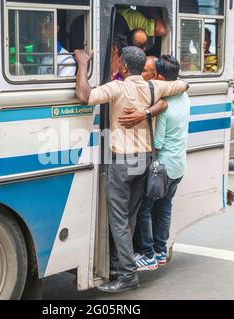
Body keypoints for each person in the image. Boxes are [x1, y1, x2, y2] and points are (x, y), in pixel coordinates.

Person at [74, 46, 188, 293]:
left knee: (118, 220)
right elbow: (183, 85)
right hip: (144, 161)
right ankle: (118, 266)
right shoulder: (153, 87)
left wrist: (82, 63)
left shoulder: (116, 88)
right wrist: (147, 112)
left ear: (124, 67)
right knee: (130, 217)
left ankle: (127, 275)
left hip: (123, 162)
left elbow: (84, 95)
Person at [133, 54, 190, 270]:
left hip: (162, 167)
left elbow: (157, 143)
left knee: (145, 209)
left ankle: (148, 255)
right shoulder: (185, 97)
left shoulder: (164, 104)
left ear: (160, 77)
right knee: (165, 208)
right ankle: (160, 251)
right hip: (178, 165)